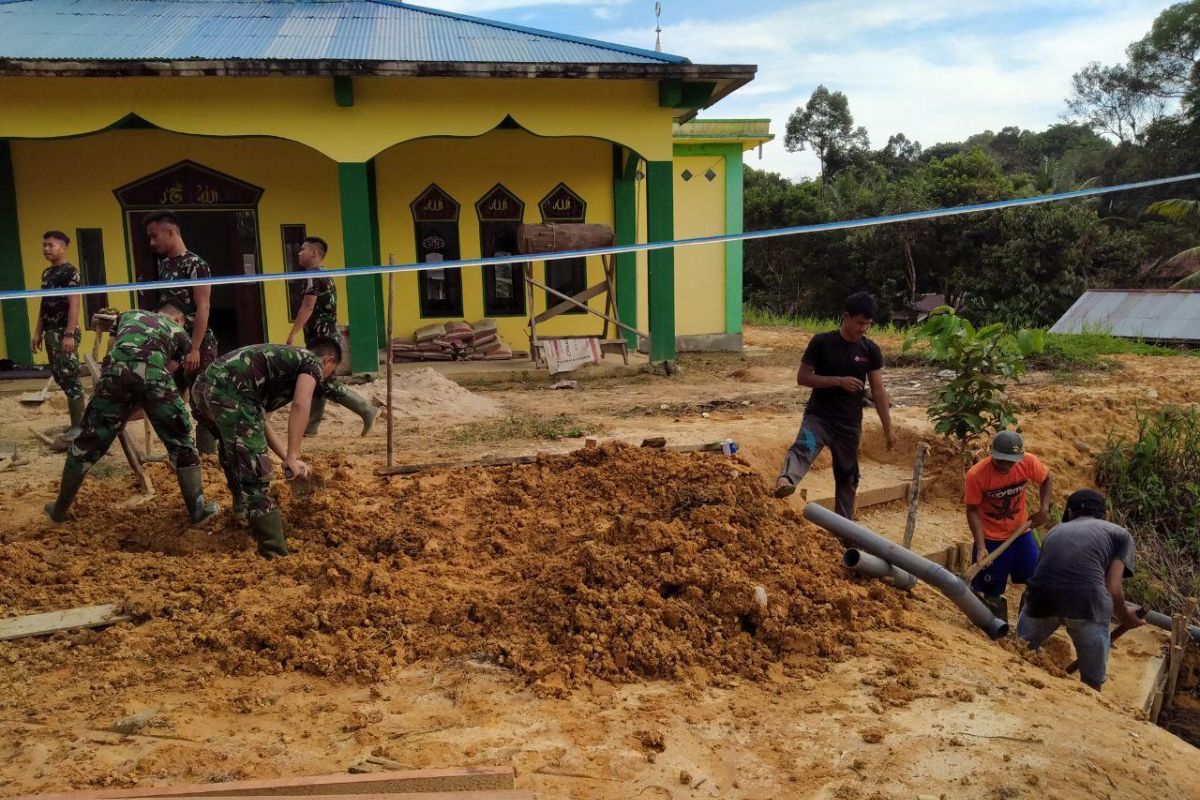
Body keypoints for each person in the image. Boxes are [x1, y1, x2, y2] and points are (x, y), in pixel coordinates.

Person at [44, 300, 219, 526]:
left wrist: (116, 404)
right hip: (156, 375)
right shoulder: (180, 333)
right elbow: (170, 369)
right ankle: (198, 512)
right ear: (179, 319)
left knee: (85, 443)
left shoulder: (128, 314)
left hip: (116, 373)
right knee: (182, 443)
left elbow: (112, 351)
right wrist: (146, 399)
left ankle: (59, 511)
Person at [190, 339, 341, 559]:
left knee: (234, 452)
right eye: (330, 372)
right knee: (255, 470)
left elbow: (258, 421)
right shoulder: (311, 362)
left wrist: (286, 458)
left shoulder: (278, 364)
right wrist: (293, 455)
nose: (324, 378)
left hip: (203, 390)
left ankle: (241, 513)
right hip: (229, 393)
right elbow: (301, 404)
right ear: (328, 361)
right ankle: (274, 552)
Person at [774, 292, 896, 519]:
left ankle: (844, 530)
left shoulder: (870, 350)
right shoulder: (822, 342)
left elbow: (878, 390)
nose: (863, 329)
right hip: (819, 418)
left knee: (848, 476)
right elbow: (803, 378)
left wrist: (888, 428)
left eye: (868, 324)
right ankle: (785, 480)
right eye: (859, 323)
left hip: (849, 426)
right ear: (846, 317)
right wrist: (838, 381)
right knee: (803, 448)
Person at [1017, 489, 1142, 691]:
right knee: (1092, 682)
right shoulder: (1119, 534)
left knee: (1019, 653)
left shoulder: (1055, 531)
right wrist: (1125, 617)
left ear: (1069, 514)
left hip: (1040, 600)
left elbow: (1042, 575)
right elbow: (1113, 587)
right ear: (1104, 515)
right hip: (1086, 605)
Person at [283, 236, 378, 436]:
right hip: (325, 335)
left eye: (302, 249)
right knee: (316, 380)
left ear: (314, 253)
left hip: (323, 338)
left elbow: (307, 306)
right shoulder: (325, 274)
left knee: (323, 381)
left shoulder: (311, 276)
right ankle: (311, 427)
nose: (298, 253)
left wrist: (293, 333)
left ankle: (365, 409)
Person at [144, 209, 218, 454]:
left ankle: (207, 454)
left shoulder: (197, 265)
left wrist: (194, 348)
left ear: (171, 232)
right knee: (167, 396)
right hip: (171, 343)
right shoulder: (164, 264)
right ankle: (181, 450)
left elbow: (203, 306)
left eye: (155, 236)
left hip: (196, 344)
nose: (152, 242)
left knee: (201, 399)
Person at [964, 430, 1053, 622]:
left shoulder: (1028, 462)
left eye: (1010, 461)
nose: (1005, 465)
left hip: (1020, 534)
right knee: (991, 589)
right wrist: (981, 547)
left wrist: (1044, 508)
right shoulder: (976, 475)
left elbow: (1046, 478)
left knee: (1036, 580)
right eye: (1000, 460)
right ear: (992, 454)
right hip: (991, 539)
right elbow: (972, 510)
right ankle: (996, 632)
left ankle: (1025, 629)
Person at [30, 231, 85, 446]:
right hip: (50, 331)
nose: (46, 249)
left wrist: (69, 334)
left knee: (70, 377)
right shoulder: (46, 273)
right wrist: (37, 332)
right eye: (44, 245)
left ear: (63, 248)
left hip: (65, 332)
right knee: (59, 375)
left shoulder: (71, 272)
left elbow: (75, 304)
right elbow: (44, 304)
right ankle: (76, 422)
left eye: (50, 245)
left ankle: (79, 428)